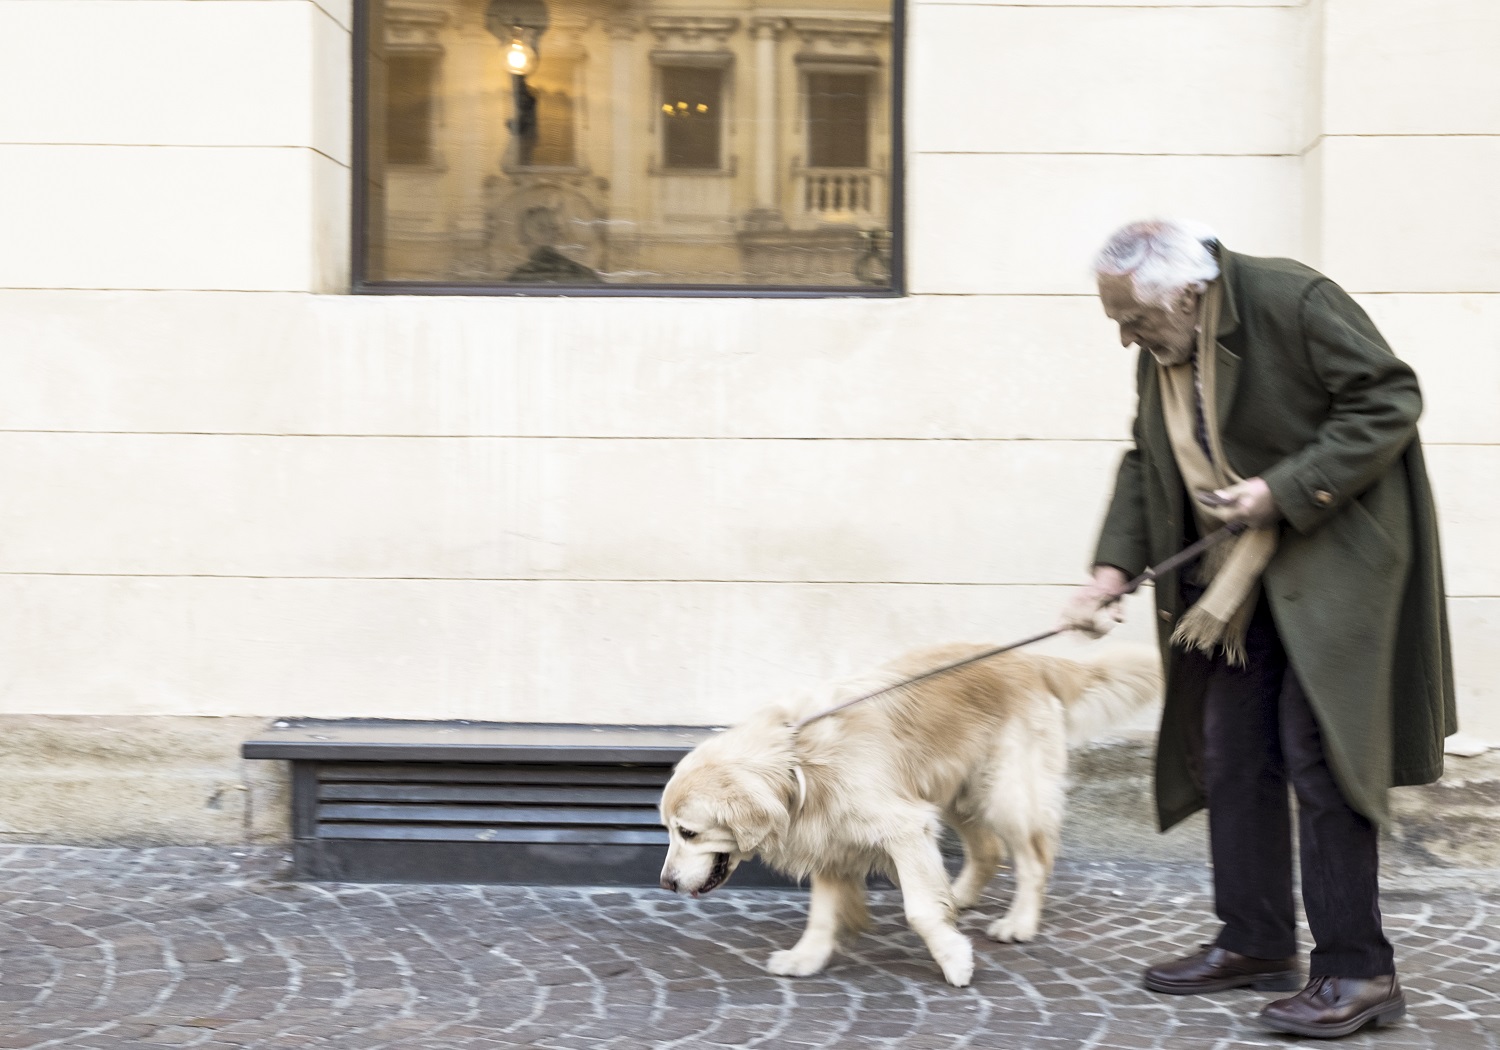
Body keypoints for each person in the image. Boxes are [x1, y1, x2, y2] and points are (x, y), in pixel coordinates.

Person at [1061, 220, 1456, 1039]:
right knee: (1231, 749)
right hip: (1234, 580)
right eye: (1119, 323)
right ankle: (1256, 940)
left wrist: (1285, 489)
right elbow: (1147, 458)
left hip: (1333, 560)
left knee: (1320, 756)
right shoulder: (1164, 341)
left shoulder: (1292, 298)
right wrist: (1110, 570)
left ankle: (1359, 971)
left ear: (1187, 293)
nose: (1127, 339)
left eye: (1134, 320)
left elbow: (1390, 398)